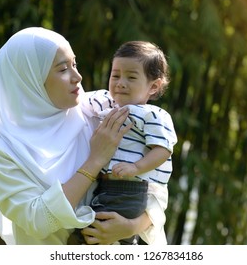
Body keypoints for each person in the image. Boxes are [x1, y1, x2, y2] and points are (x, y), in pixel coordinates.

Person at [0, 27, 163, 245]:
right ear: (31, 79)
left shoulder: (99, 111)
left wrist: (131, 226)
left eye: (75, 64)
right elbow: (37, 220)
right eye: (63, 69)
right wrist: (95, 161)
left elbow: (156, 184)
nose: (78, 76)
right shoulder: (0, 150)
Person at [69, 41, 177, 244]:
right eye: (116, 75)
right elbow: (78, 102)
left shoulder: (153, 115)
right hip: (103, 186)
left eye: (131, 77)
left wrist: (136, 167)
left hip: (128, 190)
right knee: (89, 235)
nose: (120, 83)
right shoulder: (104, 101)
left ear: (153, 86)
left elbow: (162, 150)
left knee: (93, 235)